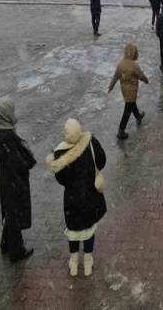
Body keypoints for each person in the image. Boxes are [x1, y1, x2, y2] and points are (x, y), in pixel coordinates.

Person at [46, 118, 107, 277]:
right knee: (89, 229)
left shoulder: (59, 152)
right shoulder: (91, 141)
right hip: (90, 196)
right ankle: (87, 263)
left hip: (72, 200)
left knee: (73, 231)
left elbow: (61, 180)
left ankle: (73, 263)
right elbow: (101, 161)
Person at [0, 97, 36, 262]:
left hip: (6, 177)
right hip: (13, 180)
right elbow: (16, 161)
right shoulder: (4, 135)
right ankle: (16, 251)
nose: (13, 114)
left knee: (10, 211)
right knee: (14, 213)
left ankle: (6, 244)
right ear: (3, 114)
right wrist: (27, 163)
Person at [107, 42, 149, 140]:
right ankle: (121, 130)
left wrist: (111, 86)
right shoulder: (134, 65)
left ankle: (138, 116)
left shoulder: (120, 64)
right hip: (132, 90)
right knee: (128, 109)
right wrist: (146, 80)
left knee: (131, 103)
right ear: (135, 54)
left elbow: (115, 76)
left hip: (124, 90)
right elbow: (141, 75)